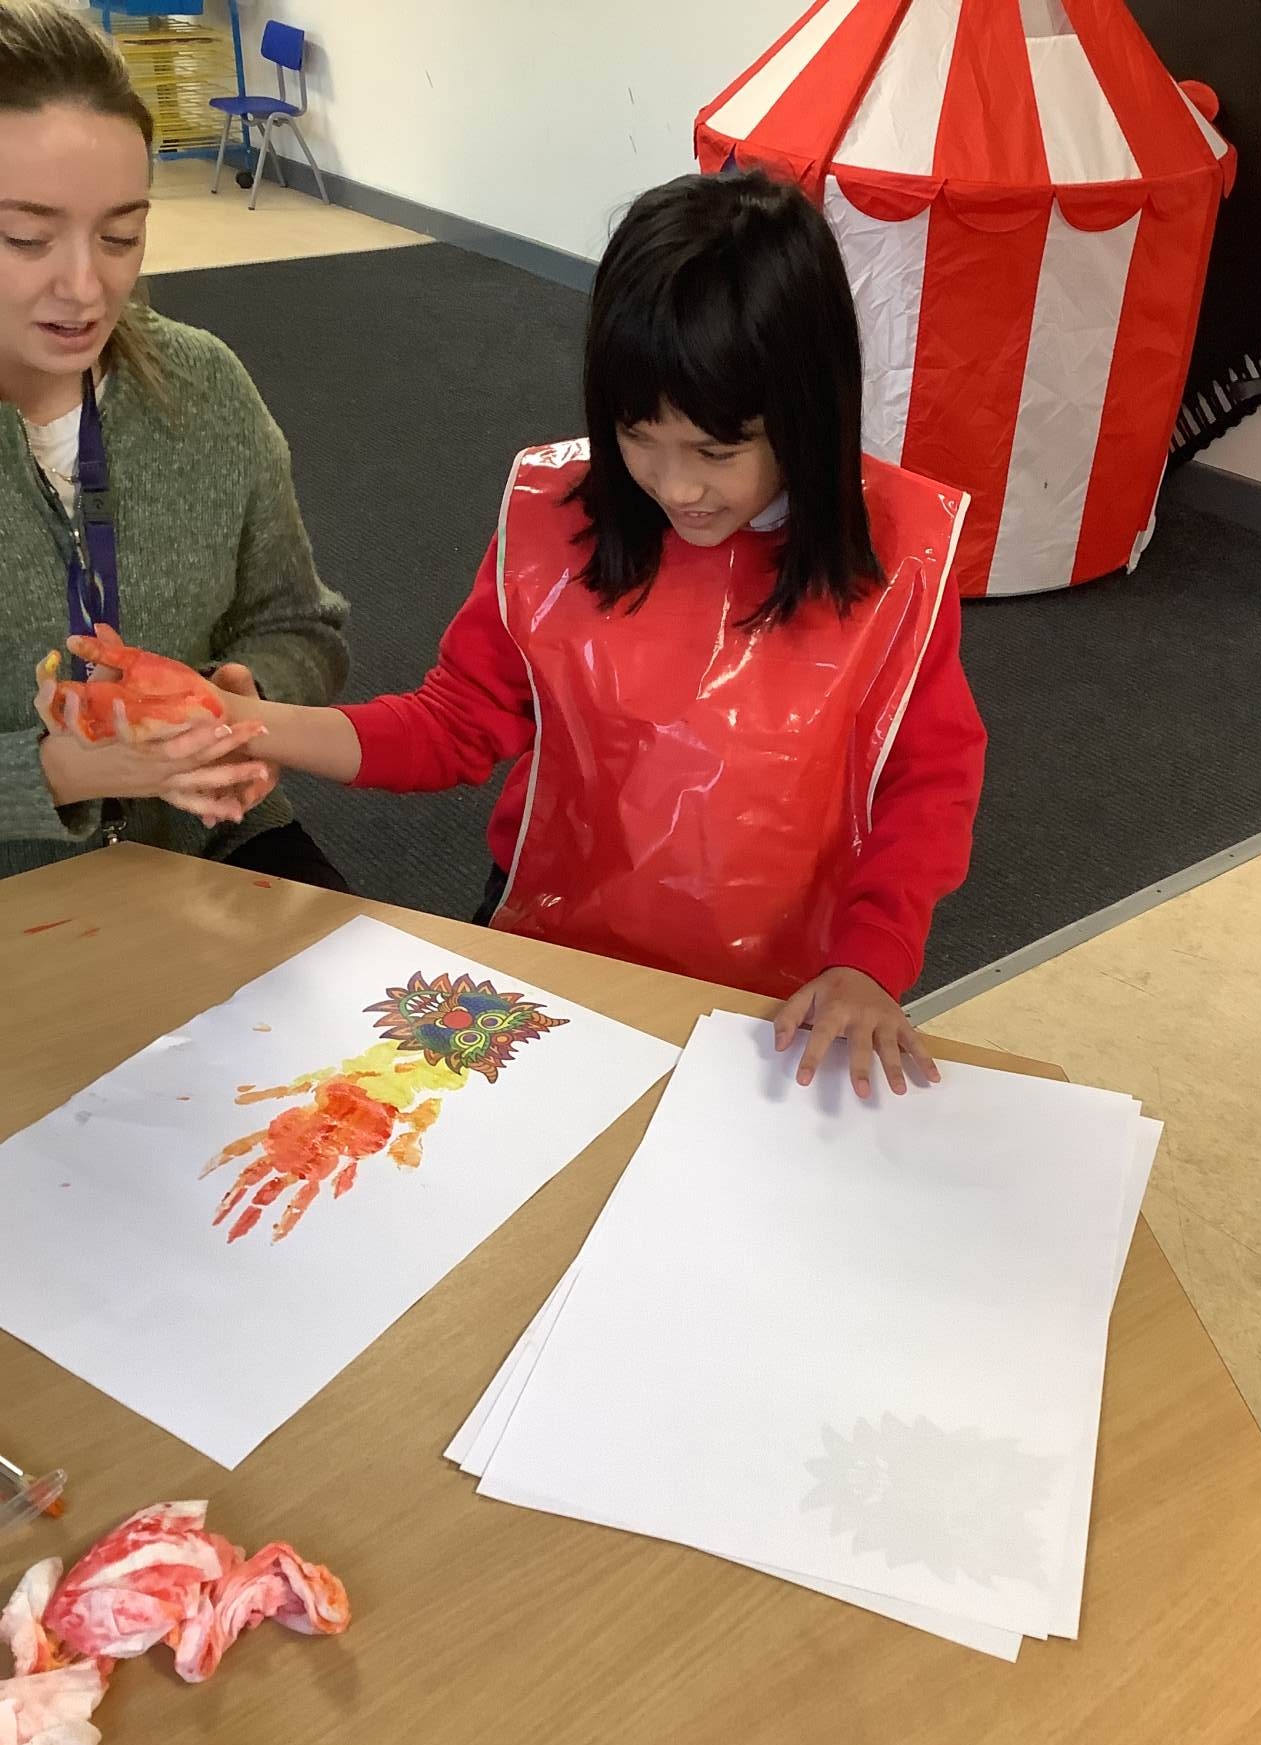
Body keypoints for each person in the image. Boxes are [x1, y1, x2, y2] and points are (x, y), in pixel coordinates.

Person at [214, 171, 987, 1096]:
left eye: (716, 451)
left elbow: (927, 784)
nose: (677, 486)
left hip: (784, 990)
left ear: (807, 413)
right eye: (638, 435)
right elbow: (454, 723)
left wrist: (872, 958)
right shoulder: (560, 518)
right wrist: (256, 728)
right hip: (554, 941)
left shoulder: (900, 560)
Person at [0, 0, 348, 888]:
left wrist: (247, 701)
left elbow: (300, 623)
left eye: (122, 234)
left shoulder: (203, 385)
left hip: (209, 843)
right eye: (26, 238)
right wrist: (56, 772)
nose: (87, 286)